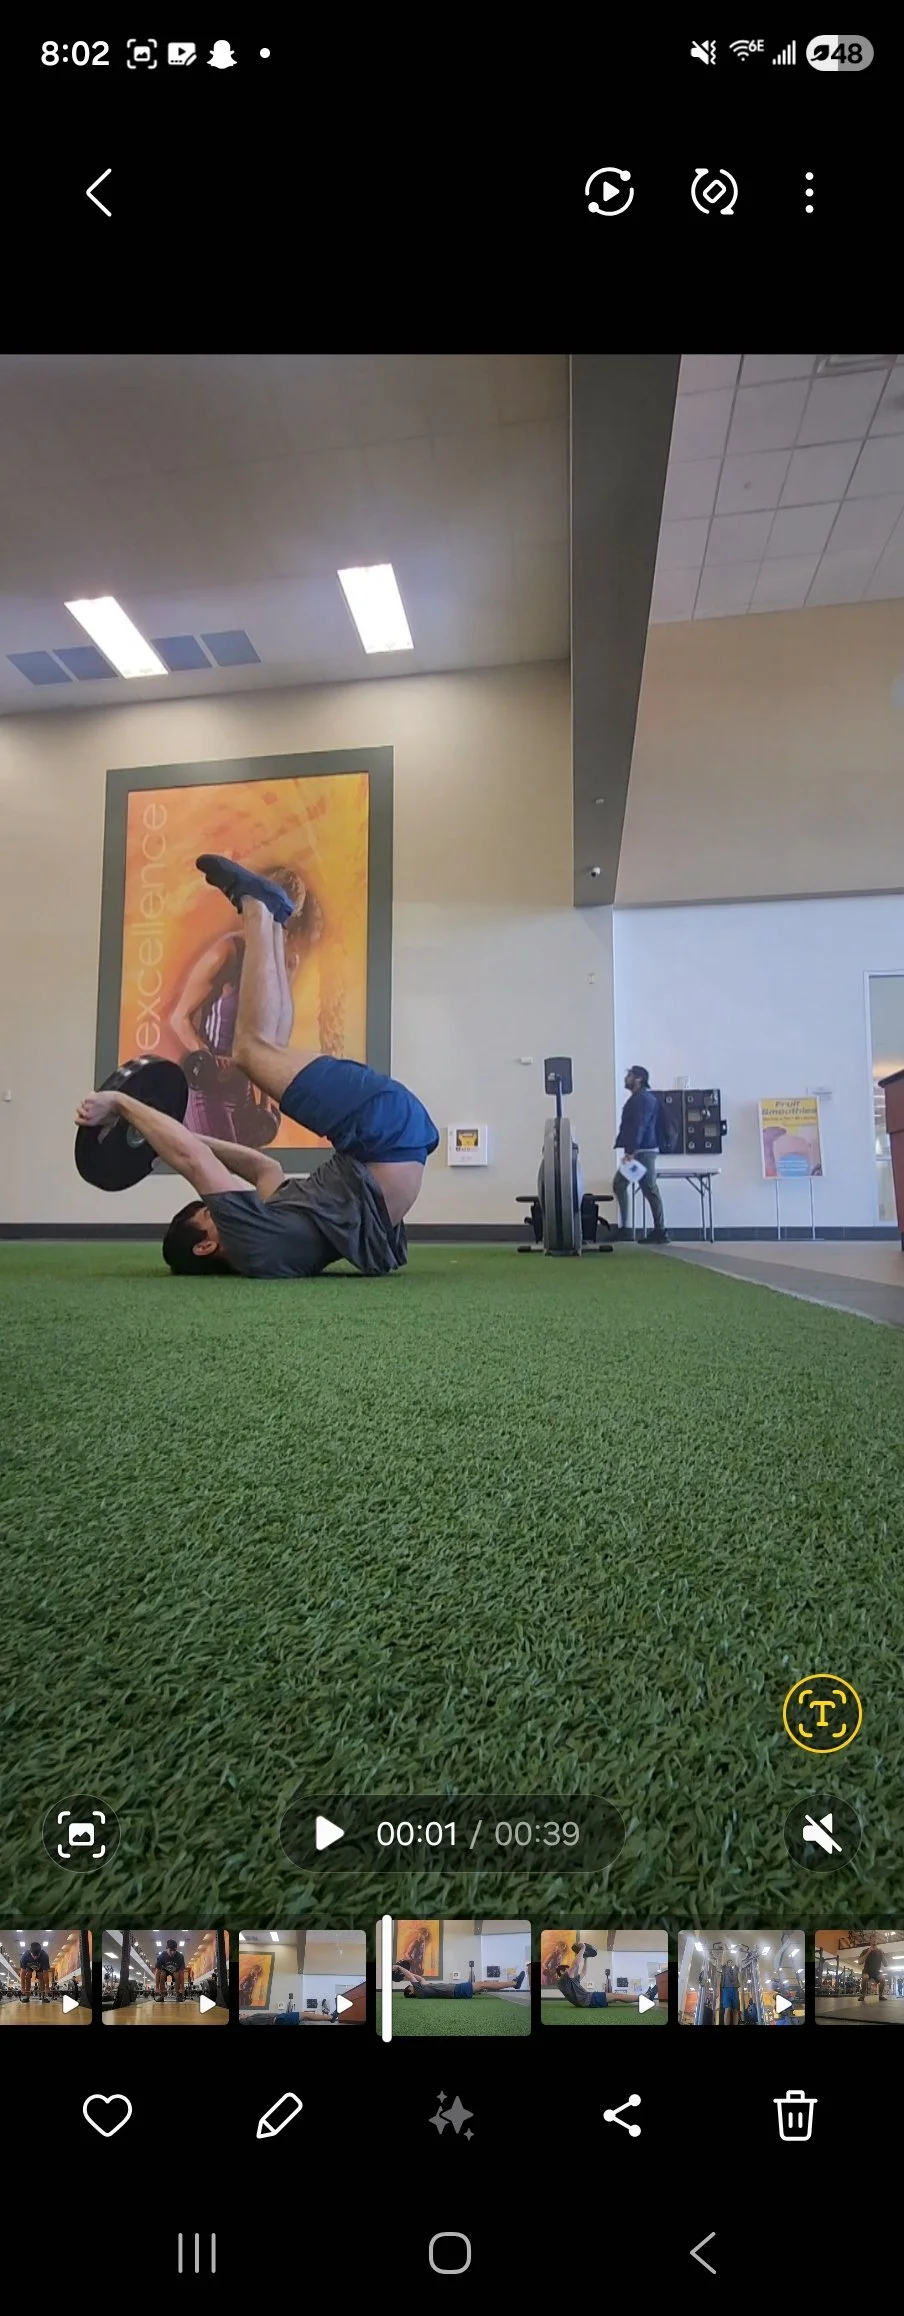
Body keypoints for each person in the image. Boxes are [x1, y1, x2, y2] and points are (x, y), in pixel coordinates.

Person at [76, 856, 439, 1280]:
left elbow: (262, 1168)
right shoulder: (251, 1242)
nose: (217, 1203)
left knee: (268, 1050)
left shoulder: (276, 1235)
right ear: (206, 1244)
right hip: (384, 1134)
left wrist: (171, 1139)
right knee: (251, 1051)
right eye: (208, 1212)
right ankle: (256, 905)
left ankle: (275, 922)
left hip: (392, 1138)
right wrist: (119, 1102)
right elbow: (194, 1162)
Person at [612, 1065, 669, 1243]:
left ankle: (659, 1231)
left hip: (642, 1151)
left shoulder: (642, 1100)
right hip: (642, 1150)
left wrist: (631, 1151)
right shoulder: (642, 1098)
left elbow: (640, 1125)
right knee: (623, 1185)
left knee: (648, 1188)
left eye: (629, 1075)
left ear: (638, 1079)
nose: (626, 1078)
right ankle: (628, 1229)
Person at [392, 1965, 526, 1999]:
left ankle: (513, 1984)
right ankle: (514, 1983)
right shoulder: (420, 1992)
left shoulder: (423, 1988)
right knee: (482, 1984)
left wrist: (402, 1975)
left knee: (483, 1985)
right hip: (456, 1990)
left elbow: (420, 1978)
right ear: (410, 1991)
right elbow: (411, 1977)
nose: (411, 1984)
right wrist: (399, 1968)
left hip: (456, 1989)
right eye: (409, 1985)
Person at [720, 1958, 741, 2027]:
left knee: (735, 2010)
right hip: (726, 1990)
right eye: (729, 1962)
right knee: (727, 2009)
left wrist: (738, 1950)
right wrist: (724, 1948)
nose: (730, 1963)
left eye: (731, 1962)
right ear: (727, 1963)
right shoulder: (724, 1969)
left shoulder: (735, 1970)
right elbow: (723, 1960)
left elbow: (737, 1963)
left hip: (735, 1990)